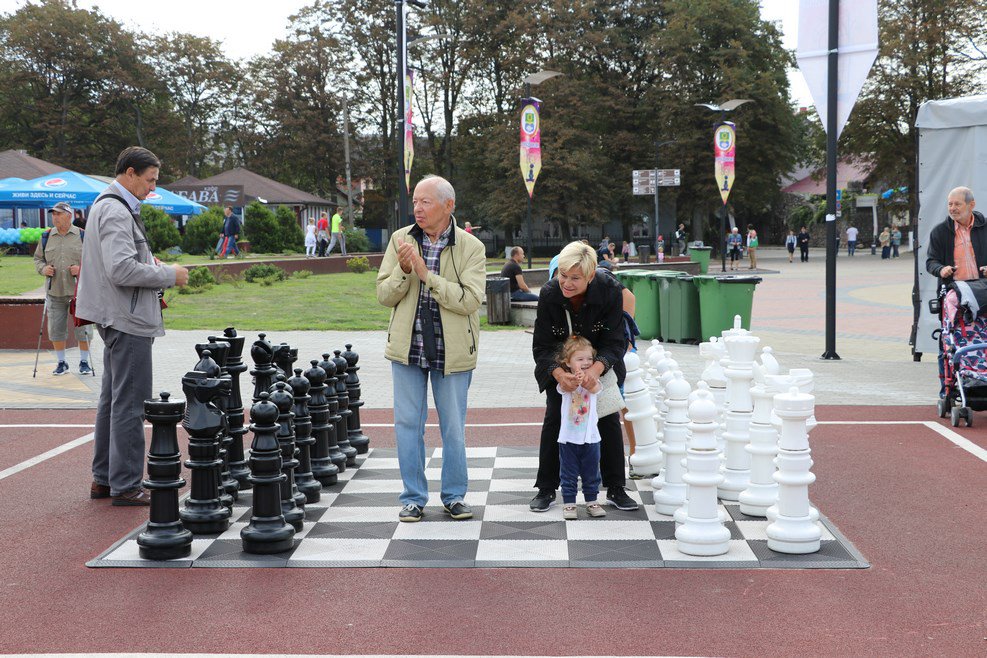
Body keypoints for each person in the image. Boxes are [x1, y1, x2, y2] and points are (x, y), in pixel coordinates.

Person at [76, 146, 189, 506]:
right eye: (150, 180)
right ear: (129, 173)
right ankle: (125, 484)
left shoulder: (109, 205)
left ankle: (104, 479)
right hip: (128, 319)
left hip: (118, 315)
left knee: (112, 400)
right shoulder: (115, 209)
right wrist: (168, 274)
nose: (153, 188)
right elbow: (121, 269)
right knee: (130, 404)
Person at [375, 174, 485, 523]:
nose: (417, 209)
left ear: (448, 205)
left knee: (453, 427)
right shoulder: (401, 240)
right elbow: (384, 295)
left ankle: (454, 496)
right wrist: (404, 271)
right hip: (408, 348)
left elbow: (470, 300)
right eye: (415, 202)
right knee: (407, 425)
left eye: (426, 202)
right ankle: (413, 498)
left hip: (452, 351)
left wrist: (427, 275)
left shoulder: (471, 247)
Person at [530, 241, 638, 513]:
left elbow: (615, 341)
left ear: (590, 276)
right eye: (563, 275)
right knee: (555, 418)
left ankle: (616, 487)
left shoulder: (609, 290)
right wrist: (558, 374)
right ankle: (546, 487)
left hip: (600, 364)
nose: (566, 283)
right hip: (562, 363)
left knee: (608, 419)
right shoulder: (550, 293)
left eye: (575, 278)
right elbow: (542, 346)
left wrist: (595, 370)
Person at [33, 201, 93, 375]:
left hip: (79, 292)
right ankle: (61, 363)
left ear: (69, 215)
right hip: (55, 291)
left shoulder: (83, 235)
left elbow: (95, 260)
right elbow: (38, 259)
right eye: (53, 214)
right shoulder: (46, 236)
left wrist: (81, 269)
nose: (55, 217)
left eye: (59, 214)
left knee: (83, 329)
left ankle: (84, 362)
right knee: (56, 329)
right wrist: (43, 269)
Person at [554, 335, 607, 520]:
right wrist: (575, 379)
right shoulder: (565, 383)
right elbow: (565, 389)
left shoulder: (594, 382)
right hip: (568, 438)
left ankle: (592, 500)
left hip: (591, 438)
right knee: (568, 473)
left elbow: (594, 389)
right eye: (580, 359)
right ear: (568, 362)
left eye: (589, 358)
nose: (586, 362)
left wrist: (586, 378)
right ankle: (569, 503)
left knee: (592, 472)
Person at [925, 187, 987, 285]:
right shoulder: (939, 231)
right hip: (954, 288)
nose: (952, 208)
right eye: (950, 204)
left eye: (957, 204)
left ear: (971, 205)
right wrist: (941, 269)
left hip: (984, 287)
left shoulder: (985, 226)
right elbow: (931, 262)